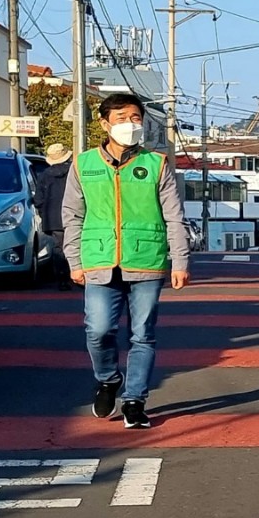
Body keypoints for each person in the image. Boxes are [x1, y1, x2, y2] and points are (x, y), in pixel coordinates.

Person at [63, 92, 190, 429]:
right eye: (121, 118)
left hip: (146, 260)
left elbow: (174, 217)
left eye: (135, 118)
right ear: (105, 124)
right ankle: (107, 378)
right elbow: (72, 216)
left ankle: (135, 400)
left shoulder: (156, 164)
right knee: (98, 329)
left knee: (142, 334)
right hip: (99, 260)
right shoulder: (83, 164)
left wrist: (180, 261)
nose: (130, 125)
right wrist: (74, 260)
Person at [35, 143, 74, 290]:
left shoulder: (44, 175)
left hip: (53, 218)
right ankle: (77, 274)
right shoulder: (74, 172)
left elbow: (39, 199)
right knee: (77, 245)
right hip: (75, 214)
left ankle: (61, 278)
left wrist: (44, 212)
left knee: (59, 248)